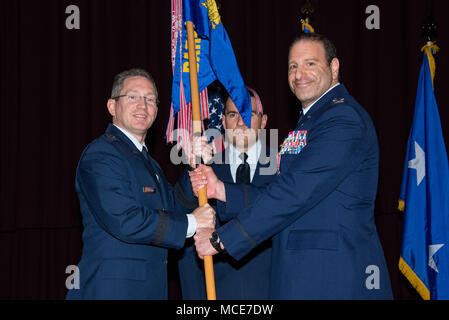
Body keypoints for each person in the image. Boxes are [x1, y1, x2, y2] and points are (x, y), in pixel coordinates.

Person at [190, 34, 394, 299]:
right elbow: (285, 190)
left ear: (334, 67)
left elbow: (294, 192)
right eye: (293, 66)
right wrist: (223, 191)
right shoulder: (312, 120)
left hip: (333, 277)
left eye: (310, 63)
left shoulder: (342, 119)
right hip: (304, 275)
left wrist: (222, 239)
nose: (300, 74)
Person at [66, 68, 215, 300]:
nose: (143, 105)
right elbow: (125, 219)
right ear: (112, 106)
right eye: (133, 97)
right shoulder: (101, 154)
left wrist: (192, 169)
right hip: (112, 292)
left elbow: (172, 208)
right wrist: (193, 222)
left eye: (150, 99)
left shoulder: (148, 163)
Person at [175, 87, 276, 299]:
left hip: (271, 290)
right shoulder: (206, 166)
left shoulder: (284, 167)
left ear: (264, 121)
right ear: (223, 122)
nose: (241, 122)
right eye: (233, 114)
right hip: (216, 292)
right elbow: (178, 214)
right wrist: (192, 167)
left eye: (249, 114)